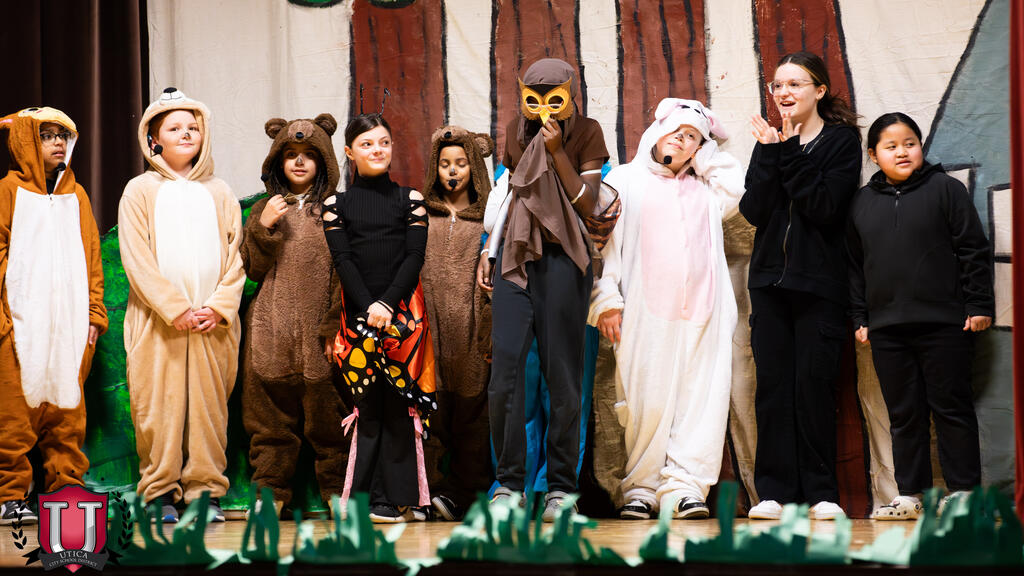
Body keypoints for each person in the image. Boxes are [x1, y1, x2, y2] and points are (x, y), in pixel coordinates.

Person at [590, 98, 743, 520]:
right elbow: (603, 246)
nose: (682, 139)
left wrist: (705, 154)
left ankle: (685, 487)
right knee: (645, 402)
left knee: (701, 401)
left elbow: (736, 190)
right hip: (644, 313)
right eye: (676, 130)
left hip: (704, 313)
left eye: (692, 136)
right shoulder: (624, 180)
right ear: (657, 132)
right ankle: (642, 488)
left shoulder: (706, 189)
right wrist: (606, 299)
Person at [480, 58, 609, 521]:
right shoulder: (516, 130)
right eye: (533, 99)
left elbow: (588, 204)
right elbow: (510, 194)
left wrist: (556, 151)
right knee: (505, 373)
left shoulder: (587, 131)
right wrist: (489, 249)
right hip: (516, 255)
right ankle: (509, 484)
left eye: (554, 97)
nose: (543, 108)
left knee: (563, 377)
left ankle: (560, 490)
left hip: (564, 259)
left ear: (571, 93)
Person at [847, 112, 992, 521]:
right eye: (890, 146)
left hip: (945, 323)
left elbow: (973, 249)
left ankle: (963, 493)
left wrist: (979, 305)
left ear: (920, 146)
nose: (902, 151)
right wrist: (860, 316)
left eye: (910, 143)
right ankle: (911, 496)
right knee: (903, 414)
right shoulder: (861, 202)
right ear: (873, 155)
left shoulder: (946, 189)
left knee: (951, 408)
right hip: (887, 328)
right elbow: (854, 266)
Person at [740, 52, 861, 520]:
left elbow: (824, 207)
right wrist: (772, 152)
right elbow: (755, 211)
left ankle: (821, 494)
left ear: (819, 90)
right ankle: (774, 492)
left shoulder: (841, 142)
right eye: (777, 85)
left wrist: (788, 151)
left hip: (819, 286)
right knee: (772, 388)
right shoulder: (768, 144)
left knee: (814, 388)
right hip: (768, 284)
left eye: (795, 84)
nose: (784, 93)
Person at [118, 88, 245, 523]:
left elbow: (237, 256)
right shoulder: (139, 191)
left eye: (193, 127)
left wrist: (219, 307)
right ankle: (159, 492)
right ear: (154, 140)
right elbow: (136, 257)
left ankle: (205, 492)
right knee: (160, 407)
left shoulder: (220, 191)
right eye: (174, 128)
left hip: (212, 323)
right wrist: (174, 308)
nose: (186, 134)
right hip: (158, 323)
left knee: (209, 410)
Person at [323, 113, 436, 524]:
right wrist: (368, 308)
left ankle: (398, 498)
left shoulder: (411, 200)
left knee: (401, 406)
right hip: (358, 319)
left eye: (384, 142)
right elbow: (343, 261)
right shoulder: (335, 205)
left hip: (404, 320)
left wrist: (387, 305)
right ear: (350, 152)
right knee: (368, 408)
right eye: (367, 144)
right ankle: (366, 498)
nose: (377, 150)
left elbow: (414, 257)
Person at [0, 107, 107, 525]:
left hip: (69, 324)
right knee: (14, 414)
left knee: (67, 411)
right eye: (46, 135)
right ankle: (10, 494)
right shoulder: (8, 191)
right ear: (26, 141)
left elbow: (91, 256)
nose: (58, 143)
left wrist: (94, 314)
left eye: (63, 135)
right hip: (20, 323)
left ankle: (65, 488)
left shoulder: (76, 196)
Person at [240, 114, 350, 518]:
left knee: (331, 421)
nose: (299, 162)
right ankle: (269, 495)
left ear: (324, 161)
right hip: (270, 333)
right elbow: (251, 269)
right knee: (268, 425)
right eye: (290, 154)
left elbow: (345, 273)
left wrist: (334, 324)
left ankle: (337, 493)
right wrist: (264, 226)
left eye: (309, 154)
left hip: (322, 338)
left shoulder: (338, 210)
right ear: (277, 161)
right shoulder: (264, 209)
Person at [420, 125, 494, 521]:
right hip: (430, 334)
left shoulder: (486, 222)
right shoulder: (422, 217)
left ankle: (468, 494)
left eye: (462, 163)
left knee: (472, 418)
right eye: (445, 163)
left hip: (470, 334)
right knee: (430, 416)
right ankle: (429, 492)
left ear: (474, 167)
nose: (453, 171)